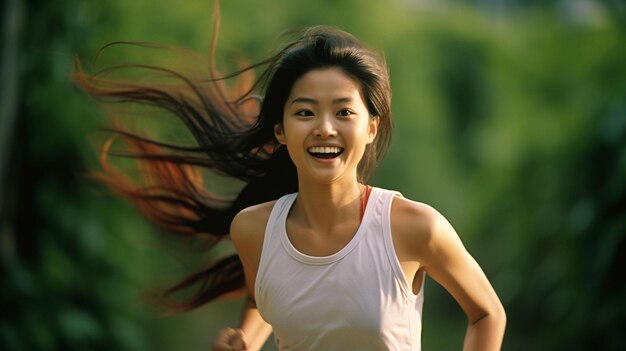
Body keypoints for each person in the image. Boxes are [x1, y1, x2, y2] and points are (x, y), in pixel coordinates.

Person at [73, 10, 506, 351]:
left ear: (371, 127)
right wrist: (244, 340)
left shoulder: (414, 227)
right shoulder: (253, 230)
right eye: (304, 112)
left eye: (344, 111)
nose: (324, 128)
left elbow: (487, 315)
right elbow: (266, 297)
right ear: (280, 131)